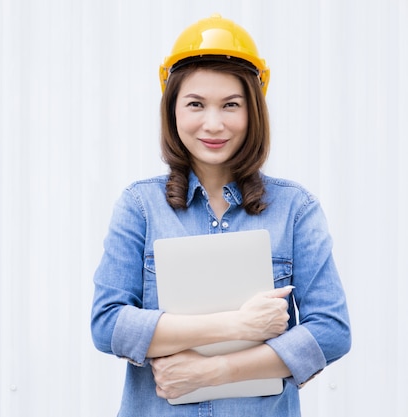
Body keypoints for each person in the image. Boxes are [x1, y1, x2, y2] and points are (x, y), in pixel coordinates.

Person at [90, 14, 351, 416]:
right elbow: (108, 325)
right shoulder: (140, 206)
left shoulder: (296, 210)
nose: (213, 124)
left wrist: (214, 371)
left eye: (231, 105)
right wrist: (238, 326)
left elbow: (331, 332)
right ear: (172, 110)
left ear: (253, 112)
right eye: (196, 104)